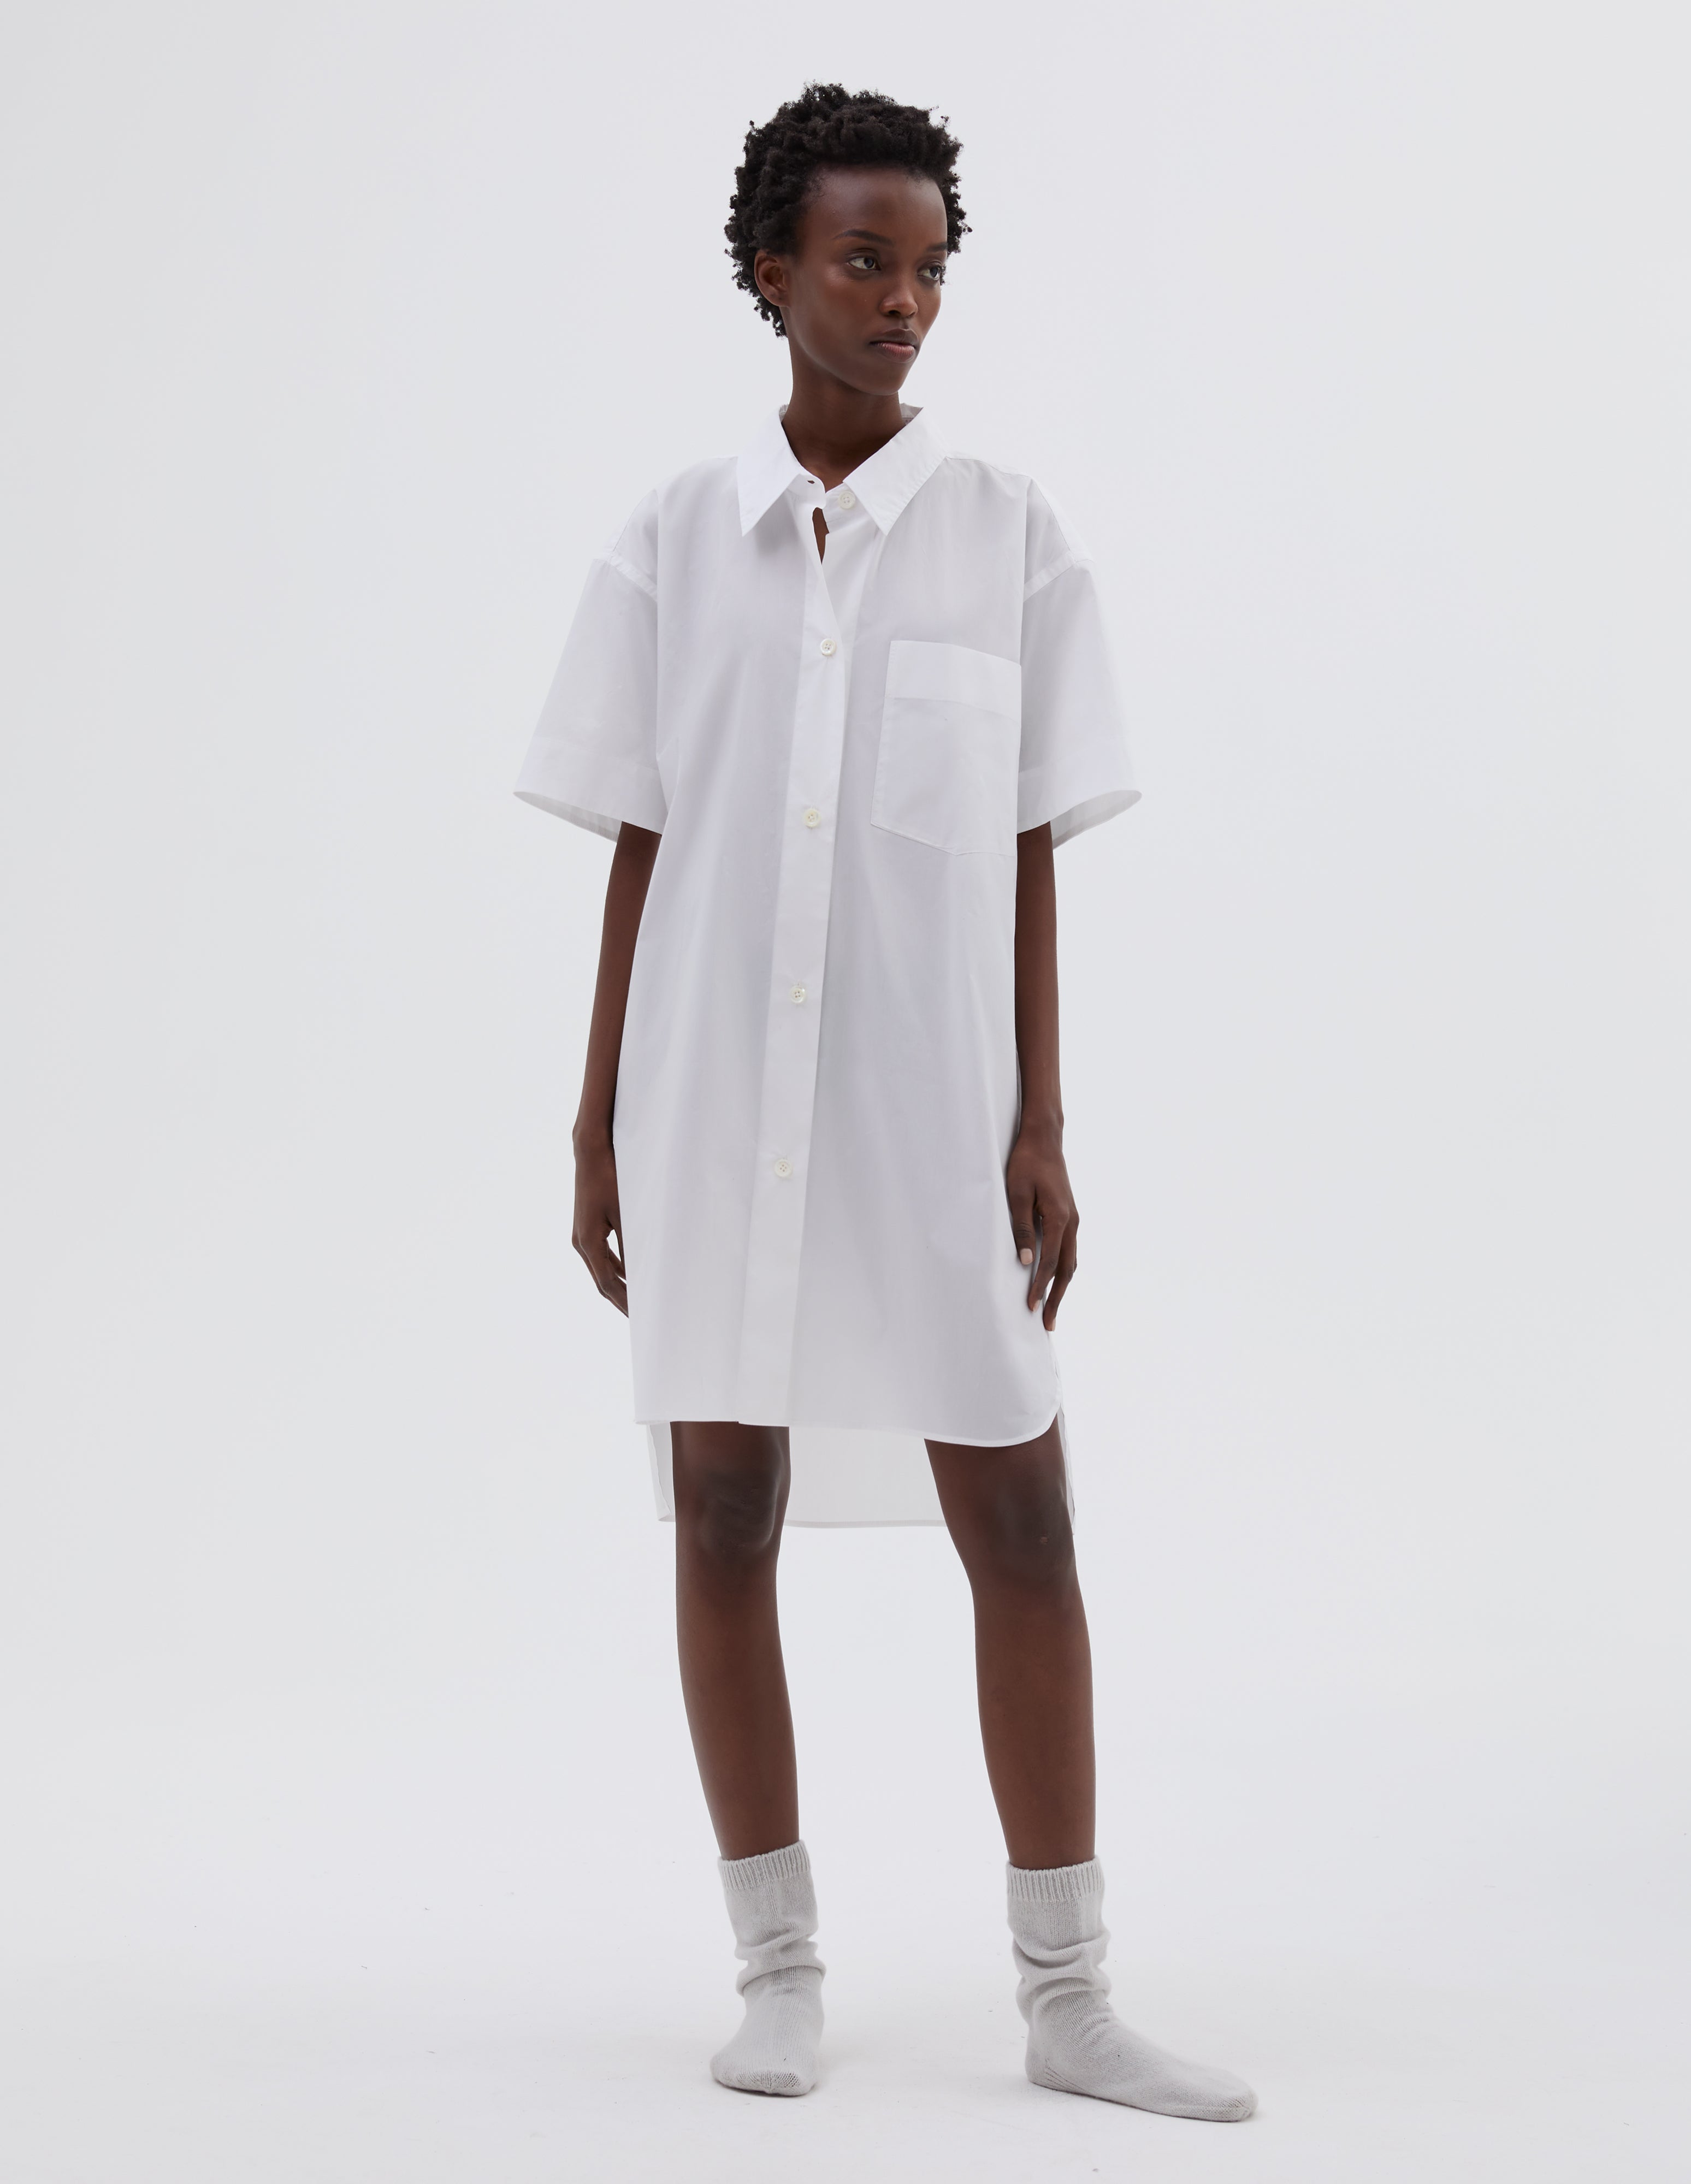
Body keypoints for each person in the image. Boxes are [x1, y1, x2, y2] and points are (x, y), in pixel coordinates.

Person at [516, 82, 1255, 2123]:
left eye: (929, 267)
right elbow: (642, 842)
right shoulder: (675, 540)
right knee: (722, 1505)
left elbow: (1025, 844)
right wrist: (595, 1120)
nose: (904, 299)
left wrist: (1042, 1120)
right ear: (773, 273)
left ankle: (1070, 1998)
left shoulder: (1012, 538)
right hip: (710, 1102)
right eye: (863, 261)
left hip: (935, 1114)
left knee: (1020, 1509)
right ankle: (775, 1972)